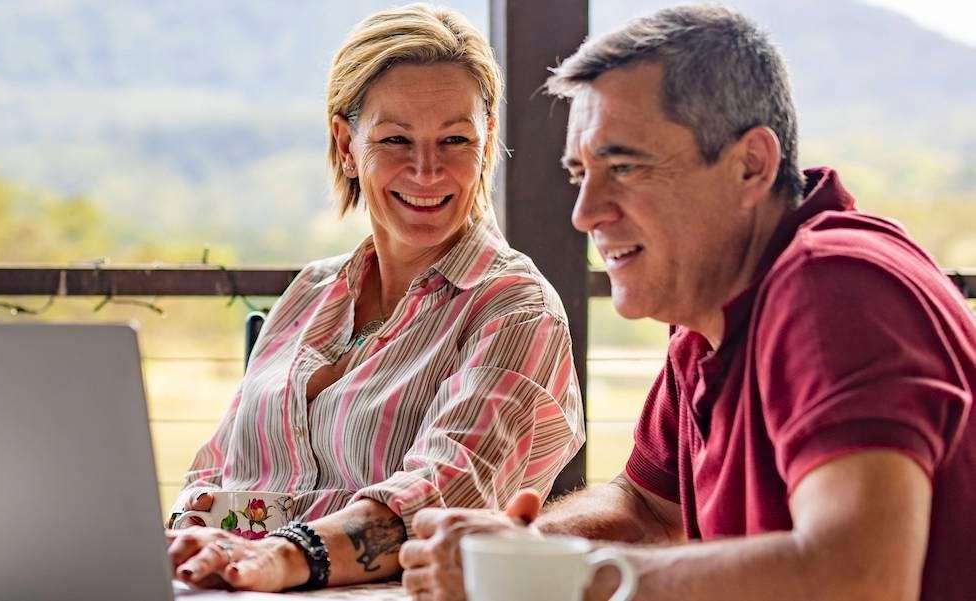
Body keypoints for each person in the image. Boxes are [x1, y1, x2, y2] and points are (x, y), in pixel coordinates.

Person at [400, 5, 976, 601]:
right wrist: (518, 549)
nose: (585, 212)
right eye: (581, 174)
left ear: (750, 166)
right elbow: (646, 509)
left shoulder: (836, 288)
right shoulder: (710, 312)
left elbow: (860, 578)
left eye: (623, 167)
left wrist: (554, 578)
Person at [165, 3, 586, 593]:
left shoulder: (516, 309)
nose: (427, 169)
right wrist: (189, 541)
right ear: (346, 143)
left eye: (455, 139)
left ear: (486, 144)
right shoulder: (309, 292)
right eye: (395, 139)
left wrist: (281, 556)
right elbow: (213, 471)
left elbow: (444, 493)